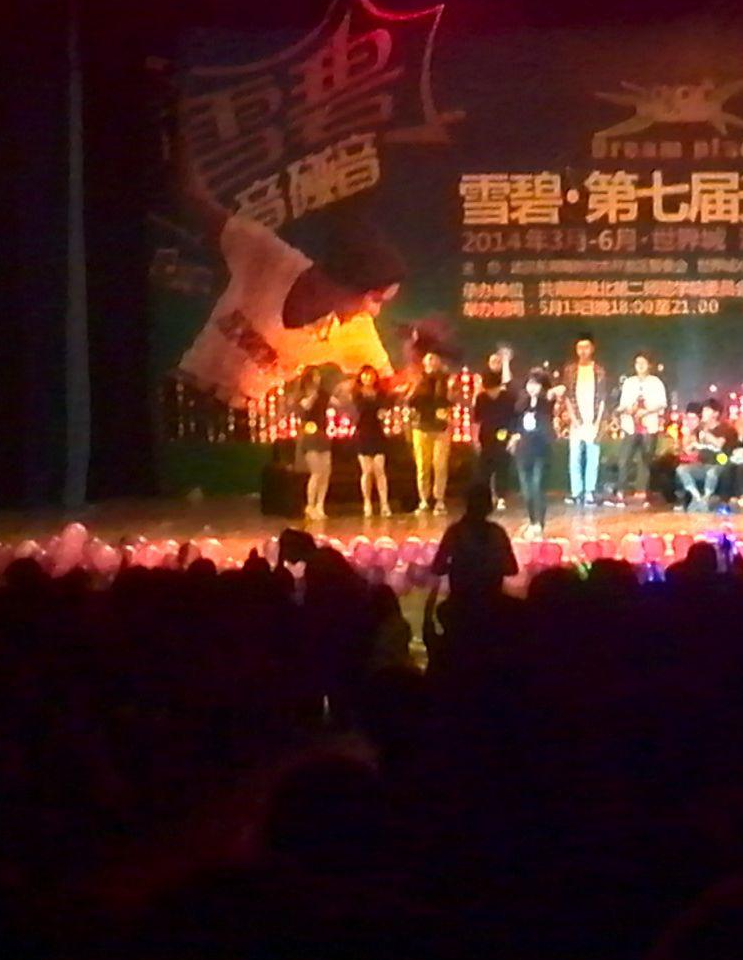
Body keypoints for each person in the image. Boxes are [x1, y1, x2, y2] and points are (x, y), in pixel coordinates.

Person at [164, 123, 402, 411]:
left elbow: (388, 385)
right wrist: (175, 123)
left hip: (247, 417)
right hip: (184, 395)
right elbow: (194, 198)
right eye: (374, 299)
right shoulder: (266, 255)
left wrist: (409, 368)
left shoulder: (357, 331)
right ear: (342, 282)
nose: (374, 312)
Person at [427, 479, 517, 622]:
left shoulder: (454, 532)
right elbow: (512, 569)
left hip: (460, 606)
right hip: (492, 604)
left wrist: (457, 566)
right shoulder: (497, 533)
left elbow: (437, 568)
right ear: (489, 506)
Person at [614, 351, 670, 503]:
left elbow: (662, 403)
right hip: (630, 426)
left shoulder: (656, 382)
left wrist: (646, 411)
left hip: (649, 426)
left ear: (649, 365)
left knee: (646, 461)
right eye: (637, 363)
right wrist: (626, 410)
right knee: (624, 459)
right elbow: (623, 404)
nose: (640, 366)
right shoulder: (629, 382)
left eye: (643, 363)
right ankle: (621, 491)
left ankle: (643, 491)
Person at [562, 334, 610, 506]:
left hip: (593, 420)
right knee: (574, 457)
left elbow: (602, 398)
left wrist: (598, 421)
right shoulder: (570, 370)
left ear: (592, 349)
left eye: (586, 347)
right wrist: (574, 419)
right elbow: (567, 396)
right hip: (576, 421)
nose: (583, 351)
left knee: (593, 457)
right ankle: (576, 492)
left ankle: (589, 491)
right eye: (580, 347)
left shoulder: (599, 370)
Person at [406, 346, 454, 517]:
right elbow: (410, 400)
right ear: (424, 363)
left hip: (440, 428)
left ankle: (439, 500)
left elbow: (450, 400)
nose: (432, 362)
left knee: (440, 465)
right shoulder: (418, 379)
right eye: (429, 359)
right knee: (422, 466)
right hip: (421, 427)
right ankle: (424, 500)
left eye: (435, 359)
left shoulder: (446, 379)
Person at [513, 362, 560, 536]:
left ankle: (539, 522)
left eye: (537, 384)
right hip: (524, 449)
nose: (532, 387)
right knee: (526, 489)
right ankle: (532, 520)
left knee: (538, 485)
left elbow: (556, 394)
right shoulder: (522, 400)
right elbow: (517, 414)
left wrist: (544, 394)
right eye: (530, 383)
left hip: (542, 447)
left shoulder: (546, 400)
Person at [472, 346, 516, 511]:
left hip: (503, 434)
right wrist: (475, 439)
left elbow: (513, 418)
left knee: (502, 467)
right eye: (489, 389)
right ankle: (486, 497)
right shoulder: (481, 398)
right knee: (484, 469)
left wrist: (512, 437)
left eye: (494, 388)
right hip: (486, 436)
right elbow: (476, 420)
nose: (492, 392)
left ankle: (501, 496)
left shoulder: (507, 397)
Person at [348, 366, 393, 518]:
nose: (368, 378)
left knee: (380, 469)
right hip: (362, 433)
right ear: (360, 377)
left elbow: (385, 407)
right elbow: (361, 409)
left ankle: (384, 504)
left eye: (371, 375)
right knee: (367, 471)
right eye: (365, 375)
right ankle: (367, 503)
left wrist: (384, 413)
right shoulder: (356, 394)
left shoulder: (381, 393)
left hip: (377, 433)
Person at [295, 369, 337, 521]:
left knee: (326, 471)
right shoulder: (302, 395)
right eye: (314, 376)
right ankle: (310, 505)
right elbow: (305, 407)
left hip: (323, 434)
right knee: (316, 472)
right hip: (309, 435)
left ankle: (320, 505)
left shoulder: (324, 394)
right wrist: (313, 395)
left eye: (319, 376)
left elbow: (337, 403)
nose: (317, 379)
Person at [676, 403, 729, 513]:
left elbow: (719, 444)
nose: (703, 413)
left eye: (706, 410)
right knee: (681, 469)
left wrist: (705, 433)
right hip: (701, 465)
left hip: (718, 463)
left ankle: (706, 499)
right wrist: (686, 436)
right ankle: (697, 497)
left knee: (711, 473)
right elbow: (688, 450)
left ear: (715, 414)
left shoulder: (723, 428)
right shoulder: (698, 430)